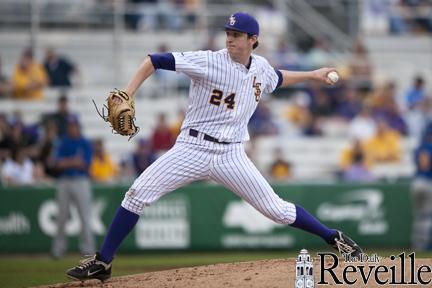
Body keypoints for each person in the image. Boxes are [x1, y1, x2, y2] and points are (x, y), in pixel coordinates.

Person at [66, 12, 363, 282]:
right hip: (192, 147)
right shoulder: (209, 60)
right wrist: (128, 93)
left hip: (231, 153)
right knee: (137, 194)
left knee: (278, 210)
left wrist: (312, 75)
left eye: (237, 35)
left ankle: (333, 237)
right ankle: (103, 261)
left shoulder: (260, 68)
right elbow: (154, 60)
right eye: (228, 34)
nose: (230, 39)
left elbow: (278, 78)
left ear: (253, 40)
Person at [52, 116, 95, 259]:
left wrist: (67, 162)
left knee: (85, 216)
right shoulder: (63, 142)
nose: (72, 128)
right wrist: (73, 161)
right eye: (70, 126)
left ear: (78, 126)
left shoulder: (85, 142)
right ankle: (58, 250)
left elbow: (85, 164)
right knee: (61, 217)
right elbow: (56, 163)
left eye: (74, 125)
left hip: (81, 180)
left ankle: (88, 251)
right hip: (64, 180)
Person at [411, 123, 432, 251]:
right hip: (428, 182)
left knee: (419, 215)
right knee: (426, 215)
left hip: (417, 183)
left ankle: (416, 243)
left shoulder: (418, 148)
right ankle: (423, 244)